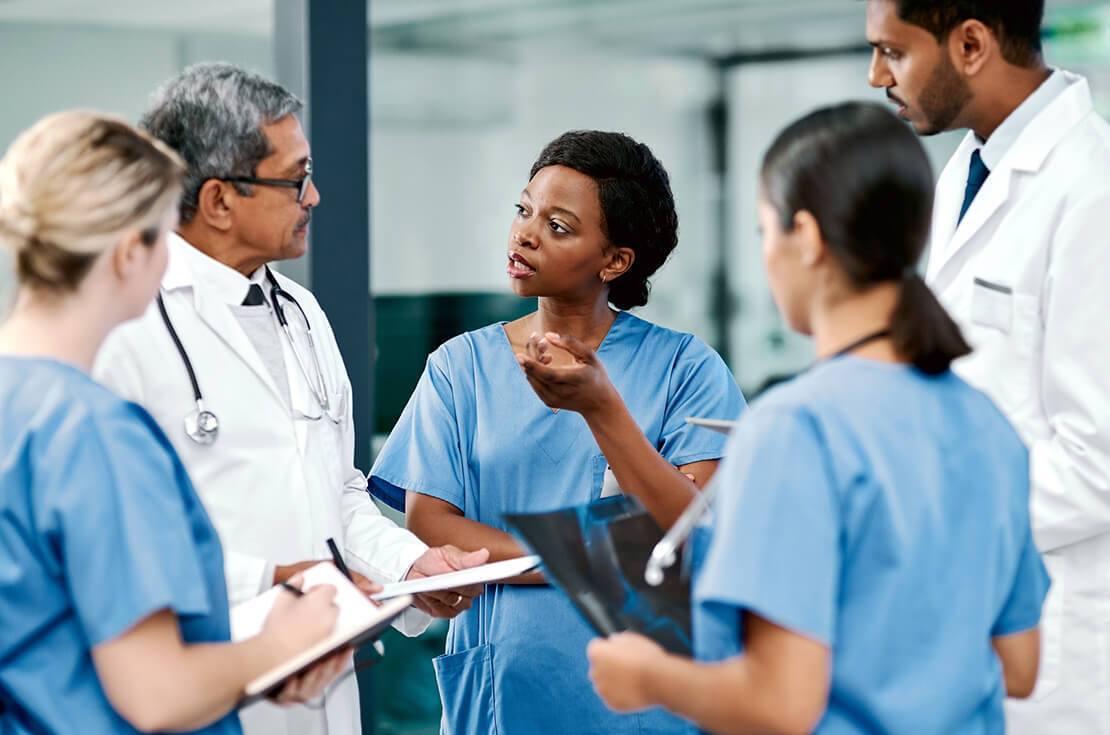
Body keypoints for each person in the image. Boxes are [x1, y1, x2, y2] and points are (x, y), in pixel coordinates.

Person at [586, 103, 1050, 734]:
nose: (768, 257)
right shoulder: (986, 426)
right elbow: (1019, 665)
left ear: (804, 238)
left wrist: (645, 676)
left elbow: (779, 704)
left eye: (764, 231)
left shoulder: (795, 430)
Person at [93, 63, 487, 735]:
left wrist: (409, 565)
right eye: (295, 177)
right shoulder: (125, 324)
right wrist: (279, 580)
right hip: (200, 679)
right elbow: (113, 541)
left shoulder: (301, 313)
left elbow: (338, 492)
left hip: (323, 678)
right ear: (219, 199)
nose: (314, 197)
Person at [370, 129, 745, 734]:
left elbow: (689, 532)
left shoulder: (686, 368)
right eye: (524, 211)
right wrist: (592, 561)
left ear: (615, 260)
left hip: (644, 696)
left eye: (559, 226)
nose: (524, 233)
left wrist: (509, 553)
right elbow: (431, 527)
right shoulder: (460, 368)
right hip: (505, 688)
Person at [0, 111, 351, 735]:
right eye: (165, 237)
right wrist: (283, 642)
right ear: (128, 252)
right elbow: (157, 695)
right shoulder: (95, 434)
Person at [866, 1, 1110, 729]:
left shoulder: (1092, 189)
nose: (875, 74)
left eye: (893, 53)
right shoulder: (966, 172)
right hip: (967, 618)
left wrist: (940, 513)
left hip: (1055, 636)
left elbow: (1097, 461)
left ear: (970, 43)